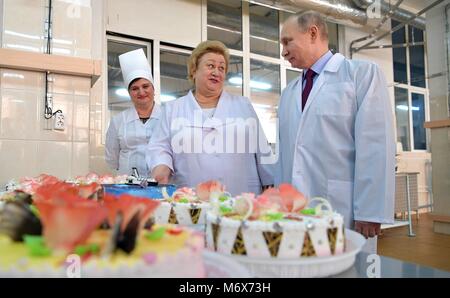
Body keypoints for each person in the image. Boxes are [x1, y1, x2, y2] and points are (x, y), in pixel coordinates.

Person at [277, 11, 395, 250]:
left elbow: (375, 145)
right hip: (294, 212)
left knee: (347, 270)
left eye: (287, 41)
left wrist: (371, 210)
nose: (283, 51)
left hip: (343, 208)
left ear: (312, 33)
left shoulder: (360, 75)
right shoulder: (289, 92)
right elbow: (285, 155)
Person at [147, 40, 273, 195]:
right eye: (210, 66)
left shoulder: (242, 105)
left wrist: (270, 182)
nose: (216, 72)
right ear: (194, 70)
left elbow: (262, 148)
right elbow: (160, 147)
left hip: (241, 194)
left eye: (222, 68)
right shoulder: (173, 109)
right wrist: (161, 166)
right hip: (192, 198)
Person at [105, 48, 160, 176]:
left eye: (145, 86)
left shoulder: (168, 117)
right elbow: (112, 159)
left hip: (161, 184)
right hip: (127, 185)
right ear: (129, 93)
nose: (141, 92)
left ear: (153, 88)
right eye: (135, 88)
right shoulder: (118, 121)